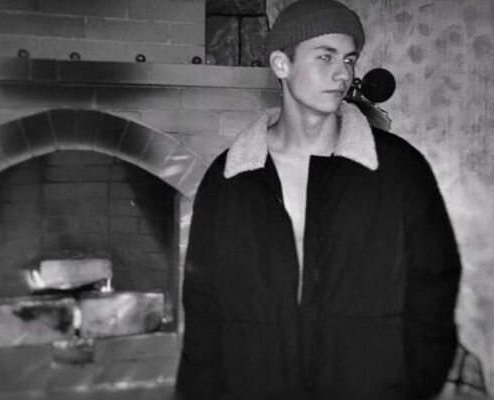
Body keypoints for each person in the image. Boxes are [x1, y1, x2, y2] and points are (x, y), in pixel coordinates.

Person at [176, 1, 461, 399]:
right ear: (281, 64)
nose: (343, 73)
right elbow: (204, 307)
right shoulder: (230, 178)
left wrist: (412, 385)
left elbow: (434, 285)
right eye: (325, 56)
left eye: (349, 59)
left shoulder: (398, 169)